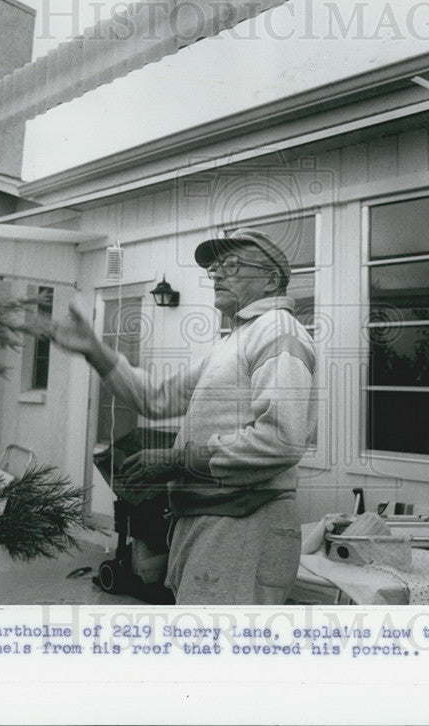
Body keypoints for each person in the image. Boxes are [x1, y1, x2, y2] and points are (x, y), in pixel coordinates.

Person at [49, 229, 317, 604]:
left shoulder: (278, 331)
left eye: (233, 264)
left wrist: (177, 460)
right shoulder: (231, 343)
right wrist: (96, 351)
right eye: (215, 268)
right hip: (209, 524)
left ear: (271, 279)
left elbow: (281, 440)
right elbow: (156, 399)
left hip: (243, 525)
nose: (218, 274)